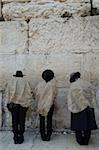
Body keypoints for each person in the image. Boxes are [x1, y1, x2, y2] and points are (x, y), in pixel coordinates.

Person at [68, 72, 97, 145]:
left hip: (77, 108)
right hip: (89, 107)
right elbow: (93, 94)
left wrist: (76, 105)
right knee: (88, 124)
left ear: (74, 77)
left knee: (78, 125)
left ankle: (80, 140)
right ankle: (86, 140)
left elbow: (71, 97)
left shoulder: (73, 85)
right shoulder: (87, 83)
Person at [6, 70, 33, 144]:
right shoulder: (26, 82)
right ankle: (21, 137)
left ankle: (15, 137)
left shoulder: (10, 82)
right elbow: (29, 93)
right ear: (22, 75)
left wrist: (8, 103)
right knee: (21, 121)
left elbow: (7, 93)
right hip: (23, 104)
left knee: (14, 121)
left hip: (13, 104)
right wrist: (28, 103)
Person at [34, 69, 57, 141]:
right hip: (50, 105)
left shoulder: (39, 84)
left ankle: (43, 135)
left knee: (42, 120)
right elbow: (55, 95)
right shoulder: (53, 85)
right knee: (49, 120)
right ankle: (48, 135)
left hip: (40, 104)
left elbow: (36, 94)